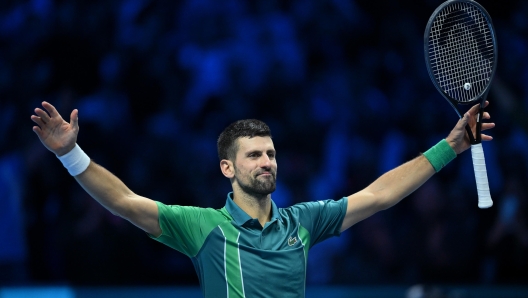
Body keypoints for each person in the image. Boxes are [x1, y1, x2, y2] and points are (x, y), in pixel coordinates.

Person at [30, 101, 494, 297]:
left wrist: (450, 146)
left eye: (271, 153)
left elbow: (378, 195)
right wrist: (71, 153)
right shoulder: (203, 227)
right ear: (228, 168)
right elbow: (125, 202)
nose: (267, 161)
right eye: (253, 155)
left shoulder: (303, 222)